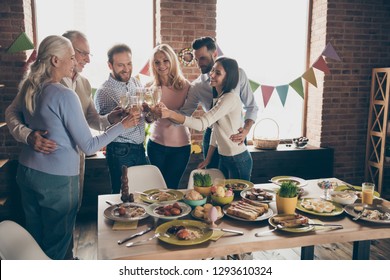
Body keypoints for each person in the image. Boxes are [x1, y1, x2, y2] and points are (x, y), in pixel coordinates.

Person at [9, 35, 140, 259]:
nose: (81, 61)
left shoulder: (31, 85)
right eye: (74, 55)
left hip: (28, 171)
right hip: (56, 179)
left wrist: (112, 118)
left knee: (36, 237)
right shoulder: (63, 93)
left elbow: (91, 119)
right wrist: (123, 126)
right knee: (56, 244)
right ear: (55, 60)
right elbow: (89, 146)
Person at [160, 57, 253, 180]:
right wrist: (208, 159)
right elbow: (215, 131)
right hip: (224, 157)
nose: (212, 75)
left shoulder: (229, 98)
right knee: (222, 196)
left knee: (238, 198)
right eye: (213, 70)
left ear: (228, 78)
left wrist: (170, 114)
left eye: (218, 73)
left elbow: (202, 124)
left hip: (238, 159)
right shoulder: (219, 98)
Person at [180, 36, 258, 172]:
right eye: (196, 59)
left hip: (236, 135)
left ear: (214, 54)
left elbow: (252, 106)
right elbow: (185, 113)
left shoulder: (238, 74)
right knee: (213, 178)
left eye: (202, 58)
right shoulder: (197, 86)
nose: (199, 63)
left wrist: (246, 130)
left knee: (234, 182)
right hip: (212, 134)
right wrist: (164, 113)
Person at [94, 44, 148, 194]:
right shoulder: (104, 92)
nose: (126, 69)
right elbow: (103, 127)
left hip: (139, 148)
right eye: (120, 65)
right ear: (110, 65)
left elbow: (143, 115)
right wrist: (122, 117)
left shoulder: (136, 83)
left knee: (141, 193)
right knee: (122, 194)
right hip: (120, 151)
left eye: (129, 63)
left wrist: (150, 114)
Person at [146, 44, 191, 189]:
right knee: (157, 188)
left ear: (172, 61)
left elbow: (187, 117)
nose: (162, 65)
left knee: (171, 188)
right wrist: (150, 113)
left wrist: (168, 113)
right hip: (155, 145)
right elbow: (148, 120)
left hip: (181, 147)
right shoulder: (149, 87)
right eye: (157, 62)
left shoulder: (186, 86)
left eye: (165, 60)